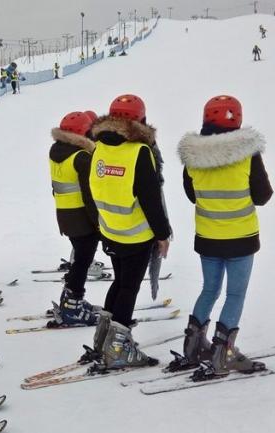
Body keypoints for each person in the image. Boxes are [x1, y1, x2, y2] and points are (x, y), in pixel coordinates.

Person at [174, 95, 272, 379]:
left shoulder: (193, 155)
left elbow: (192, 194)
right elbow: (263, 196)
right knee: (235, 294)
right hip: (241, 236)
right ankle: (222, 354)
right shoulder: (247, 153)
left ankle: (193, 347)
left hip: (208, 235)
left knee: (209, 289)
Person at [88, 94, 171, 370]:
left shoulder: (99, 148)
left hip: (110, 230)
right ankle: (118, 347)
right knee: (128, 288)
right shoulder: (139, 152)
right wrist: (162, 234)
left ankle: (103, 338)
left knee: (119, 283)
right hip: (135, 235)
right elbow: (150, 199)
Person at [49, 112, 100, 327]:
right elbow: (90, 195)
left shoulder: (56, 151)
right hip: (82, 217)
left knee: (79, 259)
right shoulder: (81, 157)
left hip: (65, 215)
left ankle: (71, 300)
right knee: (82, 261)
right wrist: (98, 221)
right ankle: (72, 305)